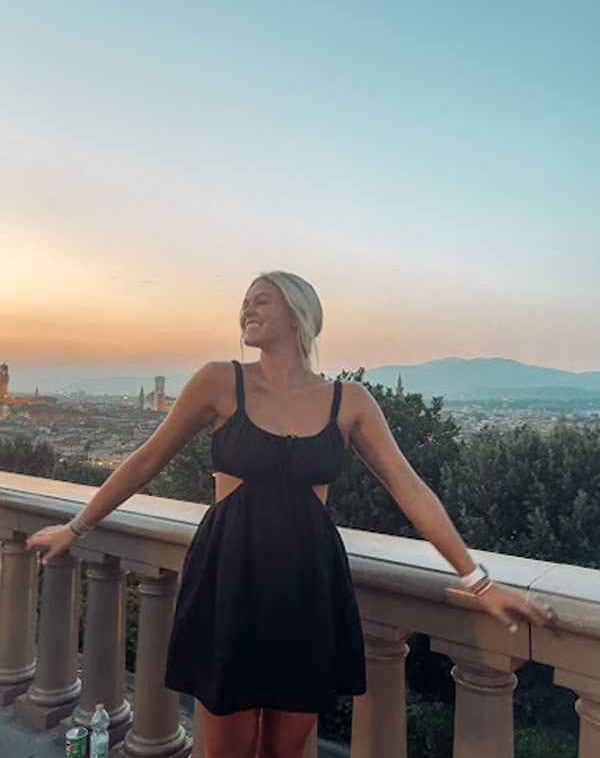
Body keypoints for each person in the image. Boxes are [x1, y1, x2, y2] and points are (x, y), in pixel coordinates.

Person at [26, 269, 554, 758]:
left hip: (307, 585)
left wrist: (481, 585)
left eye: (261, 300)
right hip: (230, 577)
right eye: (244, 303)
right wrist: (76, 527)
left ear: (299, 313)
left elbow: (412, 493)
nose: (246, 310)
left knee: (284, 749)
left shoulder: (349, 401)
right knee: (227, 748)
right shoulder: (218, 380)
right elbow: (145, 461)